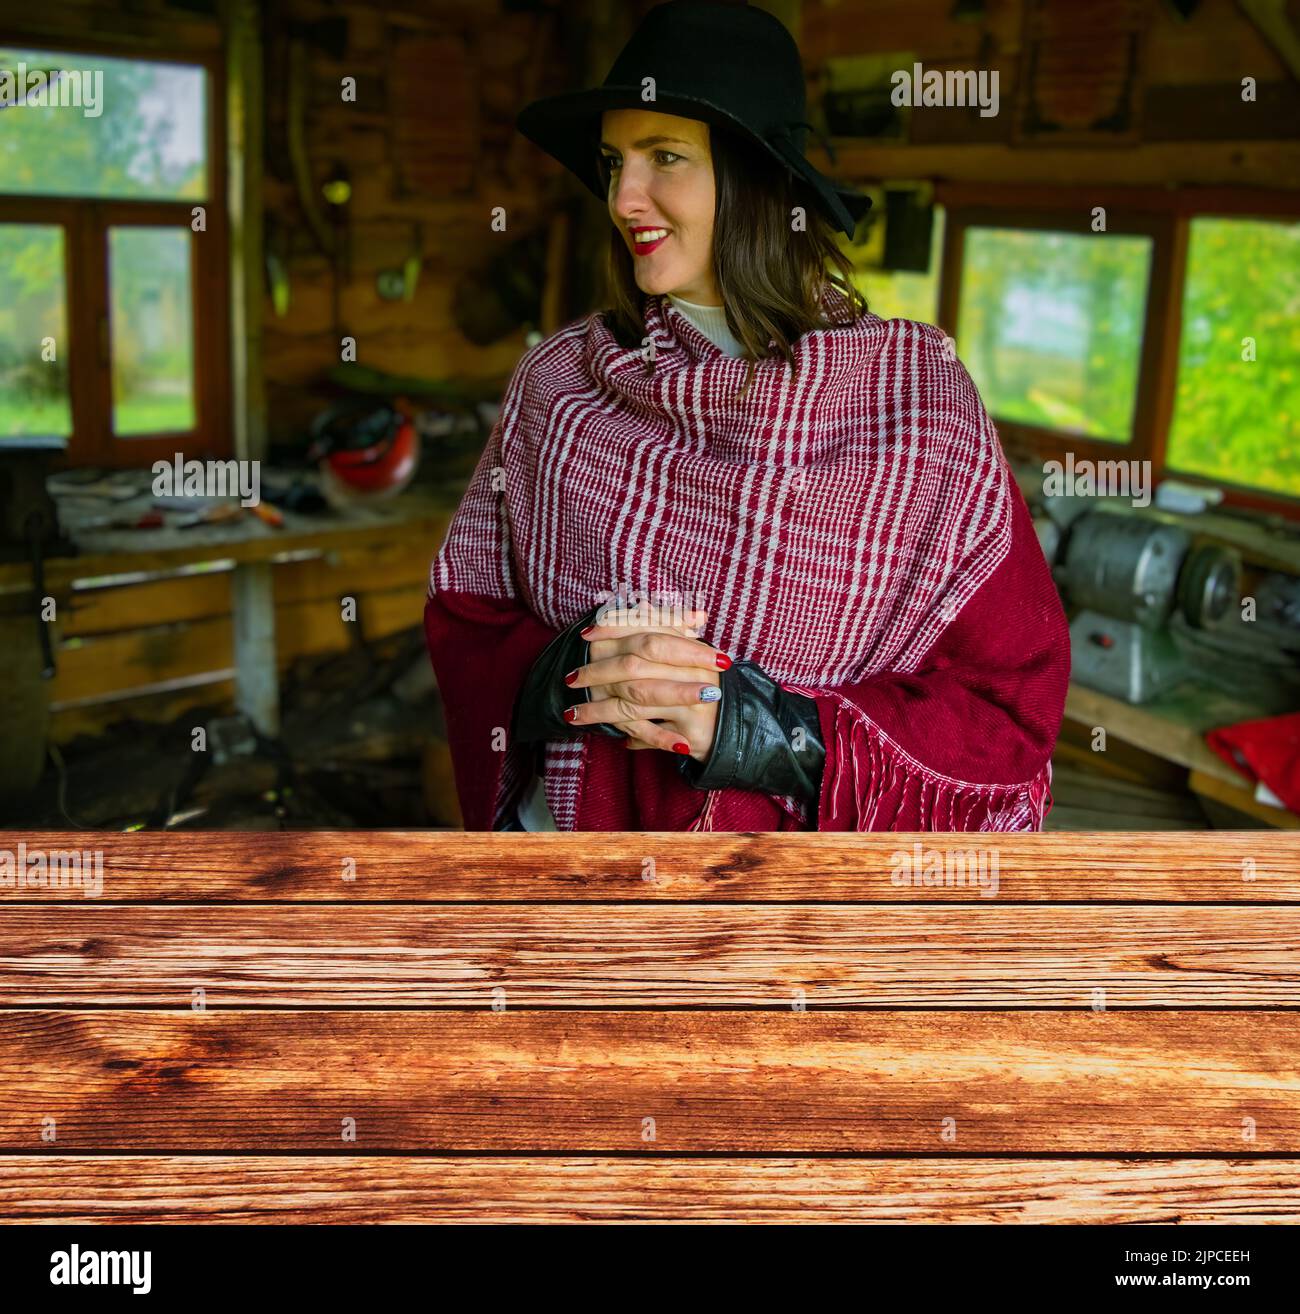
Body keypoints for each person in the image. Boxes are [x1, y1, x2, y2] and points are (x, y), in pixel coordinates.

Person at [424, 1, 1069, 832]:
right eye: (614, 159)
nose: (626, 196)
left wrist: (768, 732)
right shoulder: (558, 382)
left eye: (666, 157)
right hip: (557, 858)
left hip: (778, 911)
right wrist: (560, 671)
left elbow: (1007, 706)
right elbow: (468, 614)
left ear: (759, 178)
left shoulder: (919, 403)